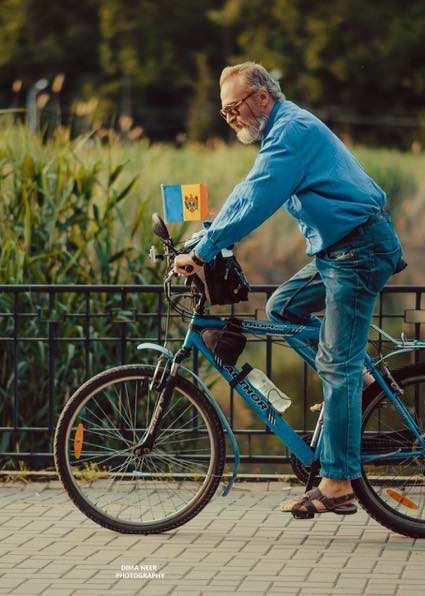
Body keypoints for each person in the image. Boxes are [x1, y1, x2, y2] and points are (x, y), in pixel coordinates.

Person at [172, 62, 404, 517]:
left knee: (337, 366)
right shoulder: (281, 133)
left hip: (357, 251)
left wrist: (207, 250)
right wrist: (203, 240)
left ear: (262, 98)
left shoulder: (291, 130)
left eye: (234, 107)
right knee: (284, 307)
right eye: (224, 113)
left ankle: (337, 483)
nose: (232, 118)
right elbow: (246, 192)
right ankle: (363, 381)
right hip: (340, 250)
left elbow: (259, 197)